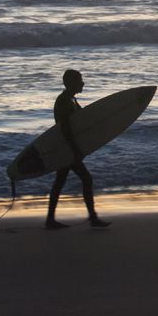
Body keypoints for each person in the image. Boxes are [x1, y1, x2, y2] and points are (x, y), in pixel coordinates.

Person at [45, 69, 110, 229]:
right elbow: (65, 129)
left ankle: (50, 220)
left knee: (60, 182)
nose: (82, 83)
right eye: (80, 80)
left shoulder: (71, 100)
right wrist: (75, 150)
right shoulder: (64, 102)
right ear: (71, 83)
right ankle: (92, 218)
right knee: (85, 179)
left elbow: (82, 121)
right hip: (66, 148)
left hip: (66, 148)